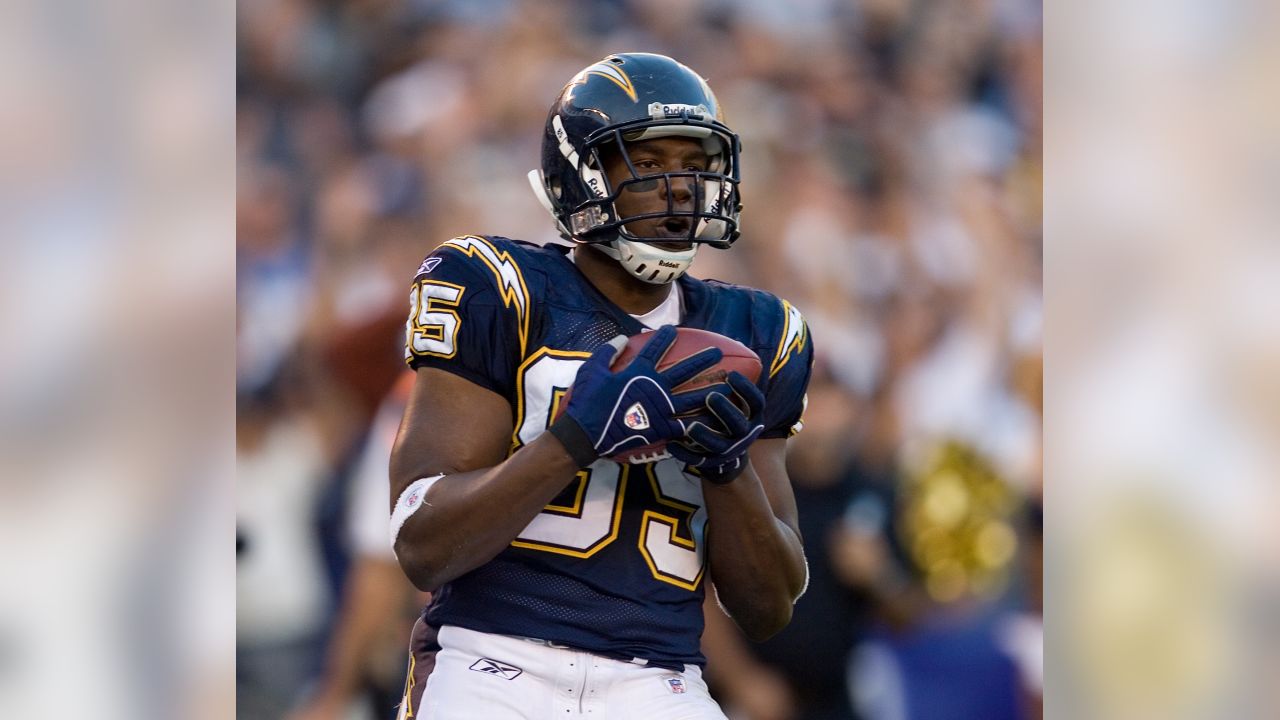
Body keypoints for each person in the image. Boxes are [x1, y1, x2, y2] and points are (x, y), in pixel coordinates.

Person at [389, 53, 814, 720]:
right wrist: (575, 438)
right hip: (492, 659)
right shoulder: (495, 286)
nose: (682, 187)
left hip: (662, 679)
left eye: (698, 163)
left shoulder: (757, 331)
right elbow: (422, 546)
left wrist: (729, 473)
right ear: (581, 174)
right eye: (649, 161)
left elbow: (768, 607)